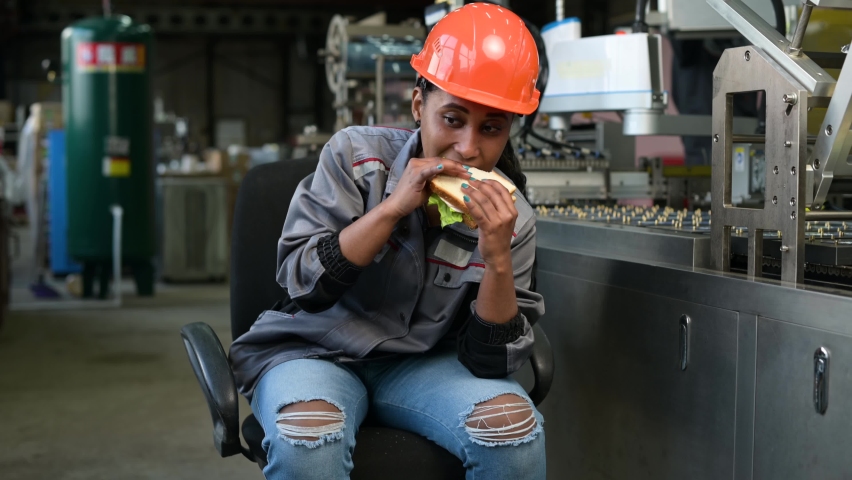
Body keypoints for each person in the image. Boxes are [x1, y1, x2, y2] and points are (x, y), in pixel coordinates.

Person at [229, 3, 546, 479]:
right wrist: (392, 209)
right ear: (419, 105)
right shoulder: (357, 157)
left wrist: (497, 258)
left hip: (422, 366)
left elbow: (491, 359)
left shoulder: (513, 215)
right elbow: (304, 284)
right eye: (453, 119)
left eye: (492, 128)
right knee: (308, 440)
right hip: (313, 350)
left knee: (513, 434)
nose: (469, 148)